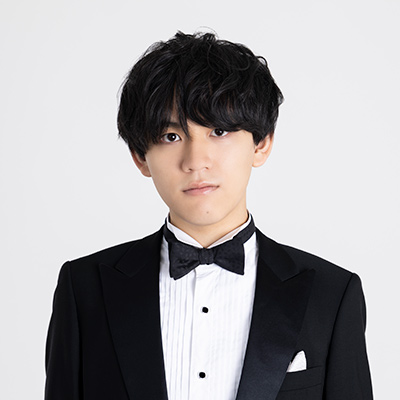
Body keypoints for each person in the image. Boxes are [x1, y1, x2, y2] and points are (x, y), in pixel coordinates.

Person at [45, 32, 373, 400]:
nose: (196, 161)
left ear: (261, 143)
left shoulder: (332, 294)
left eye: (219, 131)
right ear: (140, 157)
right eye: (171, 136)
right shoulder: (84, 289)